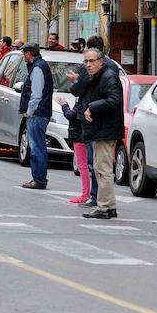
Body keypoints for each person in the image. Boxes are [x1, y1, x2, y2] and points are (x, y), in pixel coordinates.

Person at [78, 48, 124, 220]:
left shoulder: (108, 77)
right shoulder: (98, 77)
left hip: (106, 129)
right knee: (100, 168)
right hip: (101, 128)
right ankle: (109, 206)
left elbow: (114, 99)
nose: (88, 65)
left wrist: (93, 107)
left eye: (92, 61)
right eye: (86, 61)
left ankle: (105, 207)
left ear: (101, 61)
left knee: (103, 169)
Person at [18, 42, 53, 189]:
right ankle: (39, 178)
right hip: (41, 112)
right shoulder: (39, 66)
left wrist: (30, 111)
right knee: (38, 146)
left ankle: (38, 179)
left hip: (37, 114)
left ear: (29, 53)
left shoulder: (38, 68)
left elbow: (36, 94)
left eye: (24, 53)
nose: (23, 56)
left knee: (37, 147)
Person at [56, 94, 91, 204]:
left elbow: (71, 115)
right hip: (85, 134)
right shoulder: (87, 98)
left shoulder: (83, 99)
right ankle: (88, 194)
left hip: (80, 135)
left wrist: (64, 104)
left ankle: (86, 194)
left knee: (82, 165)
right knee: (86, 165)